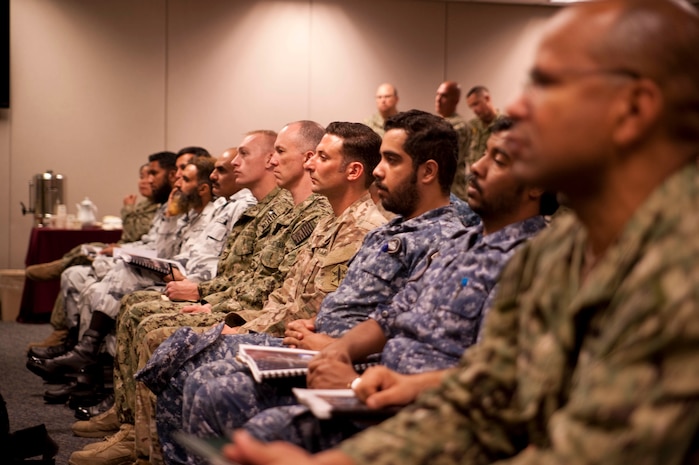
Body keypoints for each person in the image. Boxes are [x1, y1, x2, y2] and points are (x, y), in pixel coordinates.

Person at [222, 1, 699, 464]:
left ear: (633, 109)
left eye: (549, 85)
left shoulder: (682, 262)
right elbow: (482, 402)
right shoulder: (559, 249)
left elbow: (598, 450)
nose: (518, 108)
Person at [197, 117, 553, 460]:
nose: (476, 166)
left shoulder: (532, 262)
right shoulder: (463, 242)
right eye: (484, 153)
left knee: (247, 415)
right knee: (219, 392)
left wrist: (354, 381)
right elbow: (390, 316)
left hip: (420, 410)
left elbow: (494, 376)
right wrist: (339, 353)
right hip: (370, 380)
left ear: (536, 184)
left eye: (499, 160)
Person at [136, 110, 472, 464]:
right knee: (193, 367)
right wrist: (318, 326)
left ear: (428, 171)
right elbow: (371, 309)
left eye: (391, 160)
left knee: (214, 386)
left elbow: (408, 330)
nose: (378, 170)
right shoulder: (388, 232)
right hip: (315, 344)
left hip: (352, 365)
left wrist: (336, 346)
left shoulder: (445, 240)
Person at [68, 122, 333, 465]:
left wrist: (216, 308)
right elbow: (250, 278)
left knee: (157, 331)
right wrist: (210, 299)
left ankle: (146, 447)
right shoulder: (281, 211)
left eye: (276, 153)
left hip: (261, 320)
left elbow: (278, 294)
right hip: (245, 308)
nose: (237, 164)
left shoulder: (313, 214)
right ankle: (130, 422)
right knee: (137, 308)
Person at [435, 81, 470, 201]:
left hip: (452, 191)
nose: (438, 99)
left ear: (455, 100)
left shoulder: (458, 126)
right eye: (437, 94)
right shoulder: (436, 122)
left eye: (444, 96)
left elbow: (446, 160)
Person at [464, 85, 507, 174]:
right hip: (474, 176)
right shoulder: (472, 125)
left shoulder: (505, 124)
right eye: (471, 107)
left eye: (476, 104)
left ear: (487, 98)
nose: (474, 110)